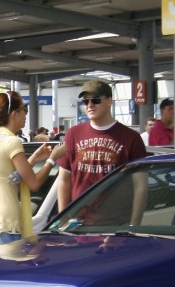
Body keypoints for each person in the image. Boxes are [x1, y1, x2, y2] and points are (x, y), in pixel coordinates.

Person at [0, 91, 65, 247]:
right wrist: (52, 159)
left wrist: (33, 159)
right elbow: (34, 184)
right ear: (15, 113)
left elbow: (10, 178)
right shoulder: (12, 142)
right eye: (25, 110)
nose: (26, 114)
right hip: (6, 224)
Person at [56, 80, 147, 212]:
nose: (90, 105)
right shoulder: (73, 134)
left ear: (109, 101)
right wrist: (63, 216)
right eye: (85, 101)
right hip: (78, 219)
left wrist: (135, 221)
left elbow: (141, 185)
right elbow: (64, 179)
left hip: (117, 219)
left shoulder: (131, 137)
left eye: (95, 100)